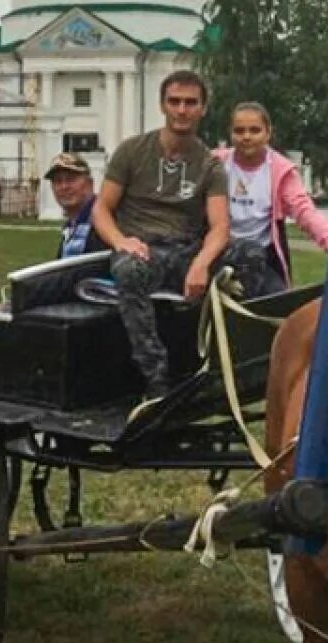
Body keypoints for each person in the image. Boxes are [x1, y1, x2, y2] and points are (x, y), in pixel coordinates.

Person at [92, 70, 263, 399]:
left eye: (190, 103)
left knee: (252, 253)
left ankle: (228, 358)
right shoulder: (132, 152)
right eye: (175, 102)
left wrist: (201, 262)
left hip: (186, 251)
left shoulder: (210, 165)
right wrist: (120, 241)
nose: (182, 110)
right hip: (144, 249)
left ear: (203, 108)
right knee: (129, 269)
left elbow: (220, 226)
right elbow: (101, 209)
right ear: (163, 106)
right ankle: (156, 376)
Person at [215, 101, 328, 289]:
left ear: (268, 133)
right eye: (239, 131)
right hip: (217, 251)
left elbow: (305, 211)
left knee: (279, 305)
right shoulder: (215, 163)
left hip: (261, 256)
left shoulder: (281, 171)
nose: (246, 137)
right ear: (230, 133)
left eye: (255, 130)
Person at [45, 152, 106, 258]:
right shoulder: (71, 227)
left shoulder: (105, 220)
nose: (64, 187)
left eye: (71, 179)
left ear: (90, 183)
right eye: (58, 181)